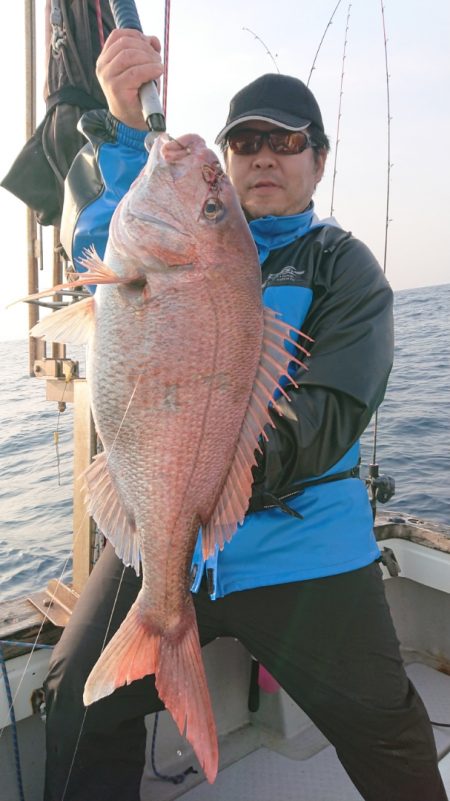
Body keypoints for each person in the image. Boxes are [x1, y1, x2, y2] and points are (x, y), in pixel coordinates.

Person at [44, 29, 447, 801]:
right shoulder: (157, 242)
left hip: (303, 550)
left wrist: (203, 483)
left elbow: (328, 417)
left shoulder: (344, 267)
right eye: (246, 141)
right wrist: (125, 130)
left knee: (388, 729)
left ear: (318, 160)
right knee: (76, 699)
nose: (264, 155)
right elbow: (97, 246)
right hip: (163, 543)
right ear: (228, 162)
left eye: (287, 140)